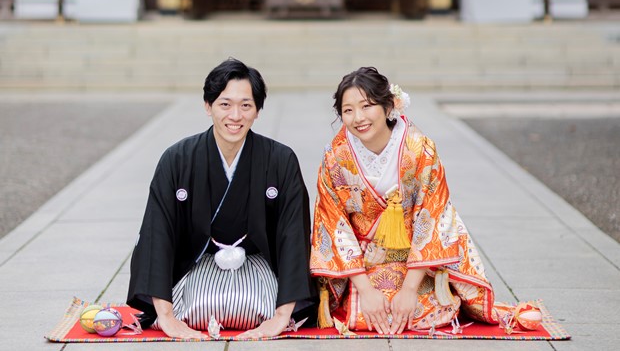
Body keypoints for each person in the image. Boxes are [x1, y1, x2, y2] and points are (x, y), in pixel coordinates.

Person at [310, 66, 523, 335]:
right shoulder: (335, 157)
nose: (358, 118)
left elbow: (434, 216)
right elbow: (331, 222)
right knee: (361, 316)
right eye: (348, 110)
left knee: (422, 311)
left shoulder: (420, 150)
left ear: (388, 106)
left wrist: (410, 289)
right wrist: (365, 289)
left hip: (417, 262)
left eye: (367, 106)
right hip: (362, 261)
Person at [127, 58, 317, 340]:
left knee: (255, 306)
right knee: (198, 306)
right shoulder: (177, 159)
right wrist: (165, 315)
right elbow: (158, 232)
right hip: (197, 264)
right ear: (208, 106)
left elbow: (293, 235)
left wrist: (281, 315)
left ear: (258, 110)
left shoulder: (280, 159)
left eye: (246, 105)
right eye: (225, 104)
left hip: (258, 267)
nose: (235, 116)